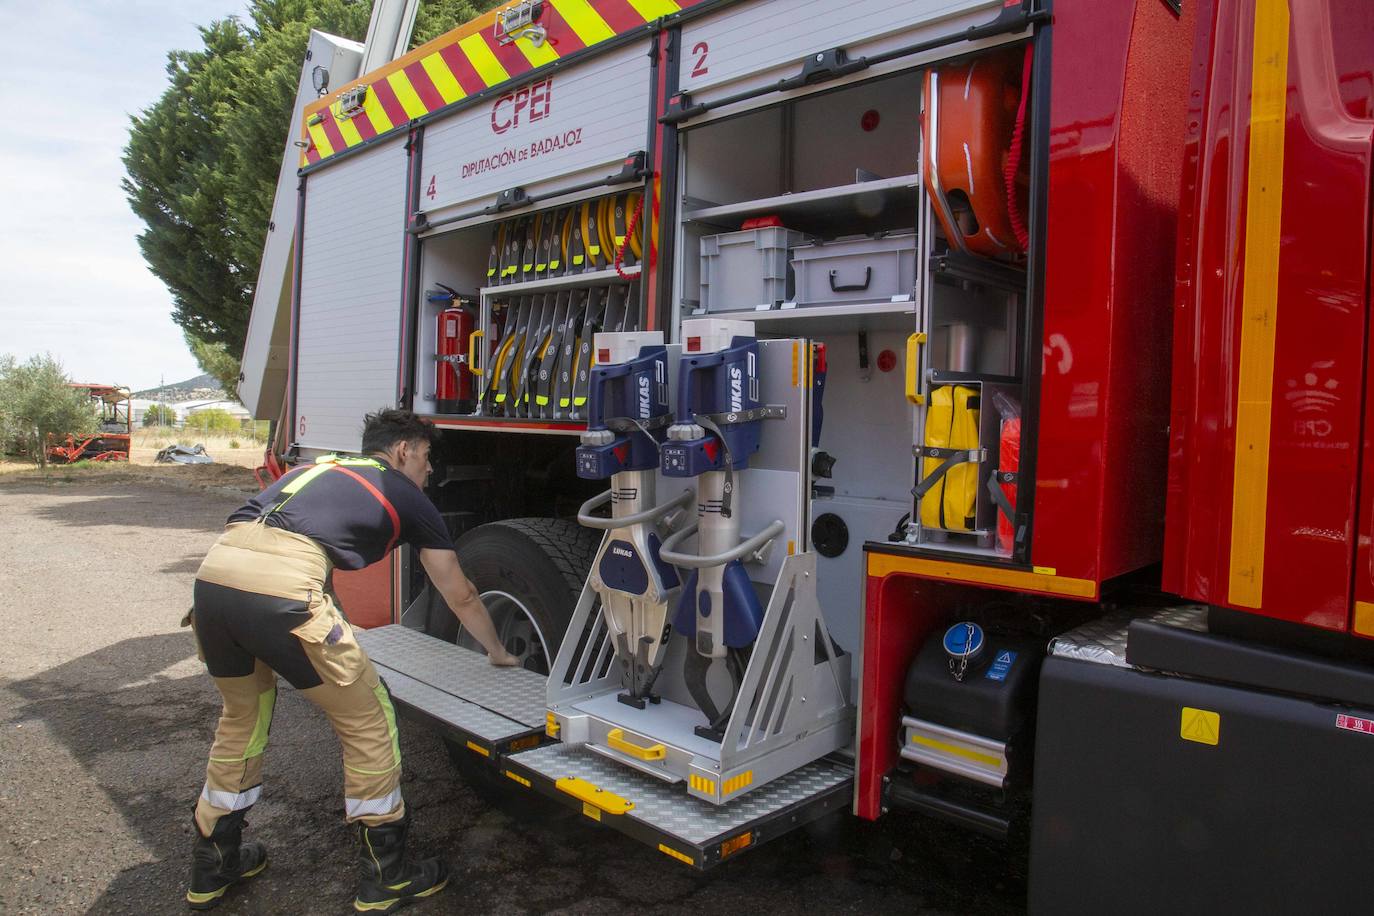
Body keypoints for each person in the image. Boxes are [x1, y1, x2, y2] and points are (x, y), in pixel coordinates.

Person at [183, 408, 517, 912]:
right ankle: (387, 875)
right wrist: (497, 650)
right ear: (403, 450)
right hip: (282, 595)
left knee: (241, 721)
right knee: (369, 719)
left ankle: (213, 864)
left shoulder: (315, 470)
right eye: (427, 457)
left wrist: (332, 622)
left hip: (212, 588)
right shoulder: (406, 494)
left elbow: (301, 556)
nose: (430, 469)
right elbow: (461, 594)